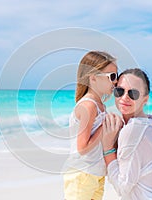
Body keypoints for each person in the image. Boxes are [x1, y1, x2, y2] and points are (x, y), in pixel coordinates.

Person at [102, 68, 152, 199]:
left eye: (133, 93)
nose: (124, 97)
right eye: (119, 91)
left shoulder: (133, 131)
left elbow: (123, 188)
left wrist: (108, 149)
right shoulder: (149, 125)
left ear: (145, 99)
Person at [63, 51, 118, 200]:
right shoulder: (88, 106)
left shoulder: (101, 106)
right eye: (111, 76)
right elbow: (82, 147)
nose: (115, 81)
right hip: (82, 174)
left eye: (116, 76)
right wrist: (104, 127)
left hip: (96, 174)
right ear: (93, 78)